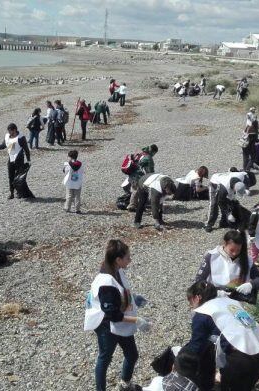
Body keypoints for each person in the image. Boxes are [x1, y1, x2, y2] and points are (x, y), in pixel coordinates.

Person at [84, 239, 152, 391]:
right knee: (105, 358)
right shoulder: (106, 283)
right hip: (106, 326)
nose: (130, 260)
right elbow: (112, 315)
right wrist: (137, 320)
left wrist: (134, 298)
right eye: (128, 257)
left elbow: (119, 294)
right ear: (118, 260)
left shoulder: (116, 270)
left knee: (132, 354)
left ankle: (125, 384)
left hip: (120, 322)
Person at [186, 281, 259, 390]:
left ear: (197, 297)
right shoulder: (229, 302)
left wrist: (180, 362)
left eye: (190, 301)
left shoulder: (203, 313)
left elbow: (196, 348)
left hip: (242, 364)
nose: (190, 305)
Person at [194, 230, 259, 302]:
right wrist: (213, 292)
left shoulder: (247, 260)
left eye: (238, 250)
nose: (235, 253)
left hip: (235, 300)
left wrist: (251, 285)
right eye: (232, 250)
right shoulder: (212, 256)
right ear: (224, 243)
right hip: (213, 297)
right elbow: (199, 279)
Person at [0, 123, 31, 199]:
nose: (9, 132)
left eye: (10, 131)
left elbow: (26, 150)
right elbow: (4, 145)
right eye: (8, 131)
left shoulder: (21, 138)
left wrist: (28, 160)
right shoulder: (7, 136)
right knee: (10, 177)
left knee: (18, 177)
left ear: (14, 130)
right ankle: (11, 193)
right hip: (11, 160)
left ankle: (19, 193)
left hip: (19, 160)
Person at [126, 145, 158, 212]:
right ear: (153, 152)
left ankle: (137, 204)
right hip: (139, 178)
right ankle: (132, 206)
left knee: (134, 190)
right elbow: (150, 171)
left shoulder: (140, 154)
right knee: (137, 191)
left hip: (132, 175)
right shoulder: (149, 158)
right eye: (155, 153)